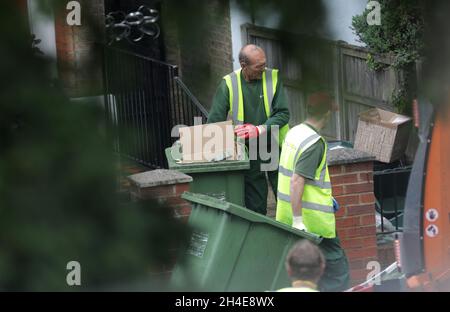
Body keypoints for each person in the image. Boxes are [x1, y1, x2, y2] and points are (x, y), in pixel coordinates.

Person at [275, 91, 350, 292]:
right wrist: (299, 220)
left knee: (303, 271)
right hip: (313, 222)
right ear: (327, 114)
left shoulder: (294, 132)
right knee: (337, 272)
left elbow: (300, 177)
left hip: (287, 215)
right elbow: (297, 180)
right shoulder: (314, 143)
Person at [208, 44, 290, 215]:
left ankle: (291, 237)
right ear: (244, 65)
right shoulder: (228, 83)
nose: (263, 69)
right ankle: (260, 236)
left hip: (275, 145)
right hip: (248, 150)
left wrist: (259, 129)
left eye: (264, 64)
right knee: (256, 203)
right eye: (259, 66)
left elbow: (283, 114)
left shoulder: (273, 77)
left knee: (285, 197)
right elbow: (214, 122)